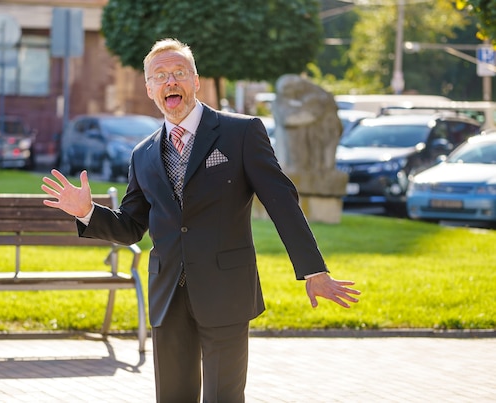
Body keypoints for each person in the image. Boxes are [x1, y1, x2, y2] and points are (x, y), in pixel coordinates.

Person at [42, 38, 360, 403]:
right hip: (167, 294)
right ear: (149, 89)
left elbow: (280, 202)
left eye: (179, 73)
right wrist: (87, 212)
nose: (170, 81)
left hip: (226, 289)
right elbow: (132, 225)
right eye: (159, 76)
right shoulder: (142, 154)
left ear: (196, 81)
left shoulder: (240, 132)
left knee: (224, 397)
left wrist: (313, 270)